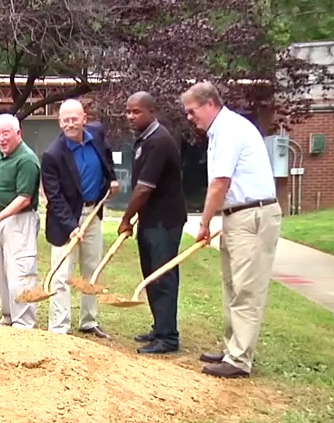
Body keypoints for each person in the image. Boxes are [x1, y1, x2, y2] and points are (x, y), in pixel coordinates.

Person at [182, 81, 282, 378]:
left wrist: (204, 223)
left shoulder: (229, 131)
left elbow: (220, 183)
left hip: (252, 216)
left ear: (210, 104)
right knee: (232, 285)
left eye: (192, 111)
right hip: (237, 216)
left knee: (246, 288)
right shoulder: (219, 132)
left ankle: (239, 359)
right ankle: (232, 349)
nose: (189, 117)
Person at [40, 99, 118, 338]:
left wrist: (112, 179)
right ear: (59, 121)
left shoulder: (96, 134)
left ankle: (89, 321)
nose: (70, 124)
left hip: (93, 213)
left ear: (84, 118)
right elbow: (54, 197)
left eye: (75, 118)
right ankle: (59, 327)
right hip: (66, 219)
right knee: (62, 274)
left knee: (92, 270)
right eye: (65, 119)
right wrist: (72, 227)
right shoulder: (52, 155)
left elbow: (106, 157)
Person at [118, 91, 188, 354]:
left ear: (151, 111)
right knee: (151, 275)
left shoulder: (159, 141)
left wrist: (126, 218)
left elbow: (144, 188)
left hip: (164, 221)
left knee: (163, 275)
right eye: (128, 111)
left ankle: (168, 338)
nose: (130, 116)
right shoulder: (144, 141)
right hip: (151, 219)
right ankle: (160, 328)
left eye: (136, 112)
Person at [0, 114, 41, 329]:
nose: (1, 138)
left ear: (18, 133)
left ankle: (24, 322)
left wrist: (0, 216)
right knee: (4, 271)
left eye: (5, 133)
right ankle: (8, 316)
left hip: (21, 220)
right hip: (2, 218)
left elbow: (24, 198)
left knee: (21, 270)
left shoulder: (27, 160)